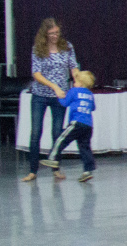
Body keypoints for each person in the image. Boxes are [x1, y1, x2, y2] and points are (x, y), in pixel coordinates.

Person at [22, 18, 79, 182]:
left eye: (57, 33)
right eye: (51, 33)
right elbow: (36, 74)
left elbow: (73, 66)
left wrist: (77, 80)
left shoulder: (67, 47)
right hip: (40, 95)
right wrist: (53, 86)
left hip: (60, 96)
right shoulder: (38, 49)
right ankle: (33, 170)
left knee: (57, 132)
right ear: (45, 34)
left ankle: (56, 168)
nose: (55, 36)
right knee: (36, 132)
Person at [40, 70, 97, 183]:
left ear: (80, 83)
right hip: (88, 125)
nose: (74, 83)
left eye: (75, 81)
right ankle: (88, 170)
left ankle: (52, 158)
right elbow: (93, 108)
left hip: (76, 122)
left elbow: (65, 103)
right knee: (84, 147)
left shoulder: (74, 91)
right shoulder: (90, 94)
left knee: (62, 139)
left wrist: (59, 96)